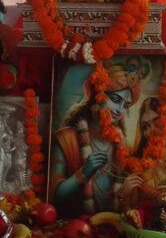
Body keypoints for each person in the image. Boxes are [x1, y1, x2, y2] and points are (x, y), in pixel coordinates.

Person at [49, 58, 145, 217]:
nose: (119, 110)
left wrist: (124, 193)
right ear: (98, 96)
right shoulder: (66, 139)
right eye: (115, 100)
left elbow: (127, 204)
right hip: (74, 223)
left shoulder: (122, 145)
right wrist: (83, 174)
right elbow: (53, 196)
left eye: (126, 105)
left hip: (111, 224)